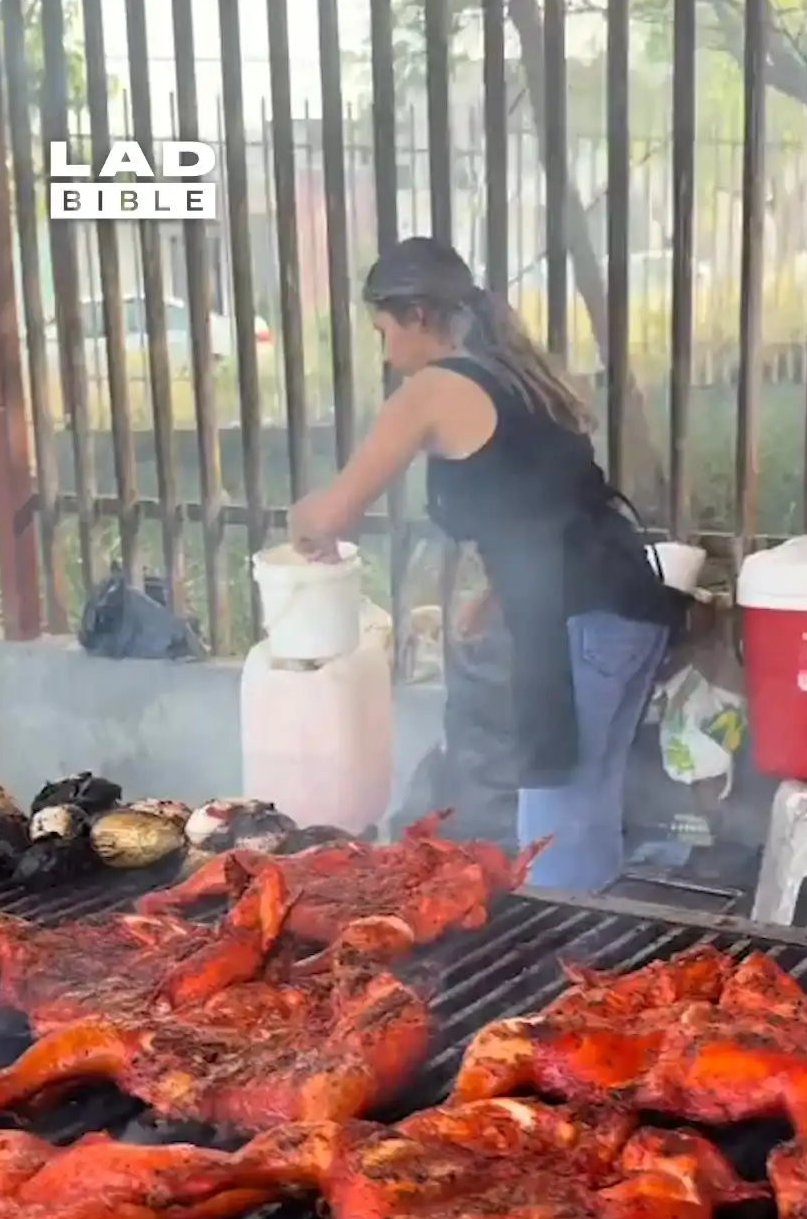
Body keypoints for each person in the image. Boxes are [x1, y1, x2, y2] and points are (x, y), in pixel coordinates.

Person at [288, 236, 691, 891]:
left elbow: (331, 515)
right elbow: (543, 503)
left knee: (553, 820)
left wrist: (299, 522)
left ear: (418, 315)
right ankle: (596, 941)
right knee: (589, 805)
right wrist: (497, 594)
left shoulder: (432, 391)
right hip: (628, 603)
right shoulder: (517, 378)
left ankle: (561, 942)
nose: (386, 355)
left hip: (574, 618)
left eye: (384, 332)